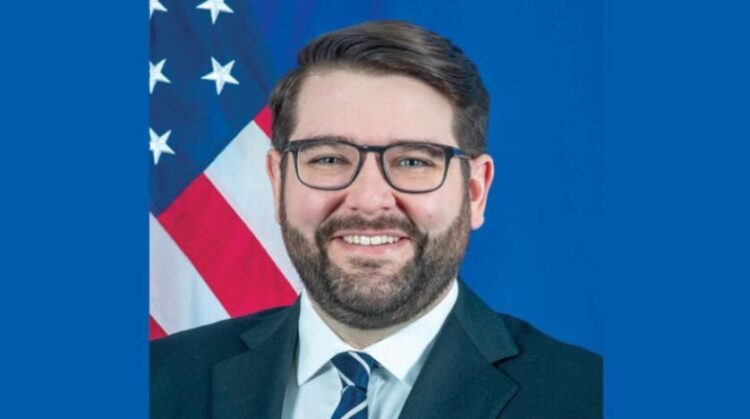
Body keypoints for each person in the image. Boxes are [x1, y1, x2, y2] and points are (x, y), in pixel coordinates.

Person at [151, 20, 602, 419]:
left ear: (475, 192)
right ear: (277, 181)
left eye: (413, 162)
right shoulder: (155, 382)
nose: (368, 201)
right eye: (328, 159)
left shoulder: (592, 399)